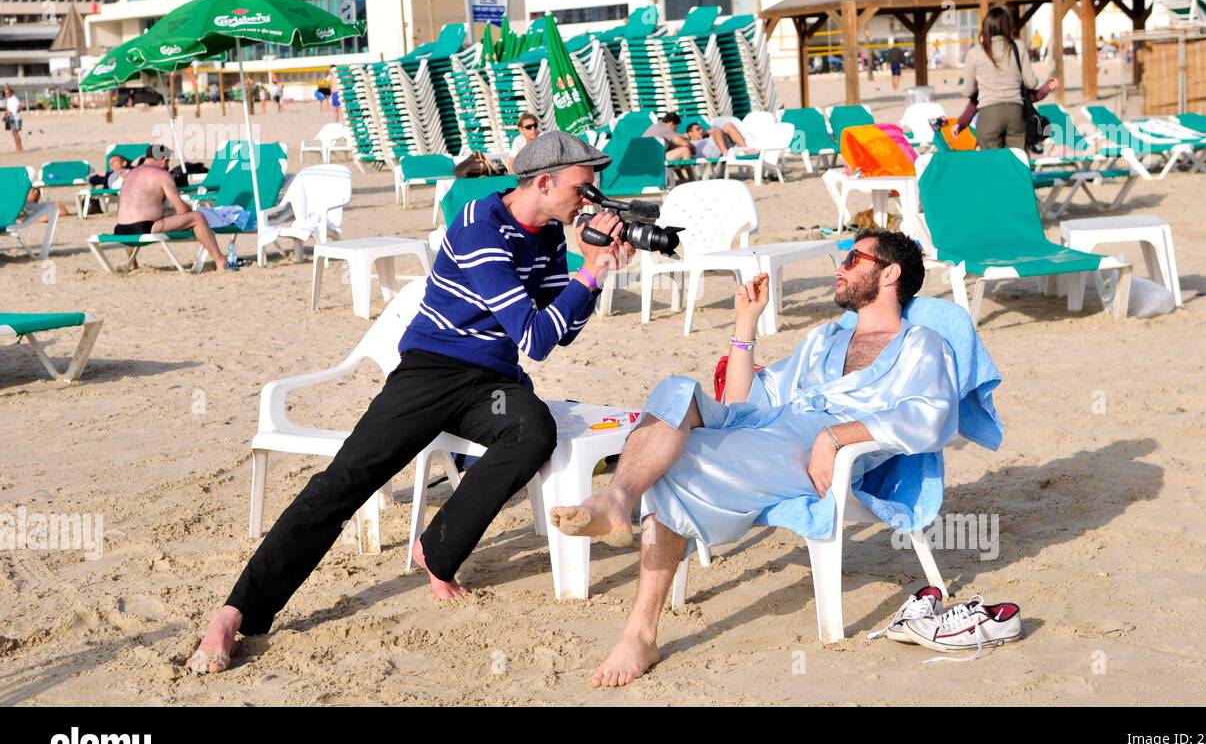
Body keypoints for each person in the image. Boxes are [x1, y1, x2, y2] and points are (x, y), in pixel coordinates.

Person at [187, 131, 635, 675]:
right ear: (544, 181)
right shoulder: (480, 228)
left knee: (533, 431)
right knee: (345, 481)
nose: (592, 199)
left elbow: (556, 333)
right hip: (430, 369)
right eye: (584, 187)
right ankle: (237, 612)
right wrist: (588, 271)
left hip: (492, 378)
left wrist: (595, 277)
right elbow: (536, 337)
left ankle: (437, 549)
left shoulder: (547, 236)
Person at [551, 228, 968, 686]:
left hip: (812, 447)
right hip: (769, 426)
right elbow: (743, 403)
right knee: (675, 390)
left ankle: (639, 632)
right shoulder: (823, 340)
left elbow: (931, 418)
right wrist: (746, 324)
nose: (838, 268)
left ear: (889, 273)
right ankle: (617, 496)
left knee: (676, 462)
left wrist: (834, 437)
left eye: (852, 259)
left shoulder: (921, 345)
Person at [113, 144, 228, 271]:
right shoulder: (162, 174)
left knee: (153, 216)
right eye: (167, 162)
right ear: (163, 160)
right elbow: (182, 210)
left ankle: (133, 264)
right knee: (197, 218)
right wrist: (190, 209)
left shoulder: (130, 174)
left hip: (120, 229)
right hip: (144, 228)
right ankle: (220, 261)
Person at [959, 7, 1057, 150]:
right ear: (1007, 26)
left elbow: (967, 91)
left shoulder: (975, 53)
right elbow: (1031, 83)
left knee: (992, 163)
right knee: (1017, 160)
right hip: (1015, 113)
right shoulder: (1019, 47)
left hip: (989, 114)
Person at [683, 119, 748, 177]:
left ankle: (746, 150)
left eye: (701, 129)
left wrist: (705, 133)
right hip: (706, 155)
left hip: (717, 149)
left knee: (728, 126)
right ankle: (727, 153)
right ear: (690, 133)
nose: (701, 130)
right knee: (717, 131)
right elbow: (677, 139)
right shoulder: (689, 142)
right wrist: (684, 136)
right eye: (698, 129)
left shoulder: (706, 138)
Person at [3, 86, 22, 152]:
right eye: (5, 93)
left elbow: (19, 107)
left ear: (11, 93)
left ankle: (20, 148)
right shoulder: (8, 99)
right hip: (10, 118)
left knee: (15, 133)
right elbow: (8, 108)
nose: (6, 94)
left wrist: (13, 112)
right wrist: (6, 113)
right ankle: (17, 147)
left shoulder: (15, 98)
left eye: (7, 93)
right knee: (13, 133)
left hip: (16, 118)